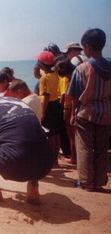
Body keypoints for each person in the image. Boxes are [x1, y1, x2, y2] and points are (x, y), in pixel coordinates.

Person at [67, 28, 111, 192]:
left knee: (84, 147)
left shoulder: (82, 68)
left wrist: (72, 115)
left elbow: (74, 95)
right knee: (101, 148)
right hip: (106, 114)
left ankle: (86, 181)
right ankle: (99, 182)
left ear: (87, 47)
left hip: (86, 113)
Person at [37, 50, 63, 165]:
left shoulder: (44, 78)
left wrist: (42, 112)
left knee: (51, 135)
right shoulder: (56, 75)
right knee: (57, 134)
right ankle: (55, 158)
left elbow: (46, 96)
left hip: (49, 106)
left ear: (41, 65)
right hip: (57, 105)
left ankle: (52, 159)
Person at [54, 56, 77, 164]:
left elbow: (69, 97)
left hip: (70, 109)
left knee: (72, 135)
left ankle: (74, 158)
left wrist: (71, 114)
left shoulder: (69, 79)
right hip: (75, 109)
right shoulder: (76, 76)